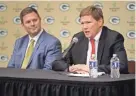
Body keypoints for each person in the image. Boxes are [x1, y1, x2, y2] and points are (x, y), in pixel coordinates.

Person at [52, 5, 128, 74]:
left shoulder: (114, 38)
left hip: (104, 84)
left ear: (100, 22)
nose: (84, 27)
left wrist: (91, 68)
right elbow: (57, 63)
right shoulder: (78, 38)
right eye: (82, 23)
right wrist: (70, 68)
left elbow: (122, 66)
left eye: (88, 22)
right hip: (81, 83)